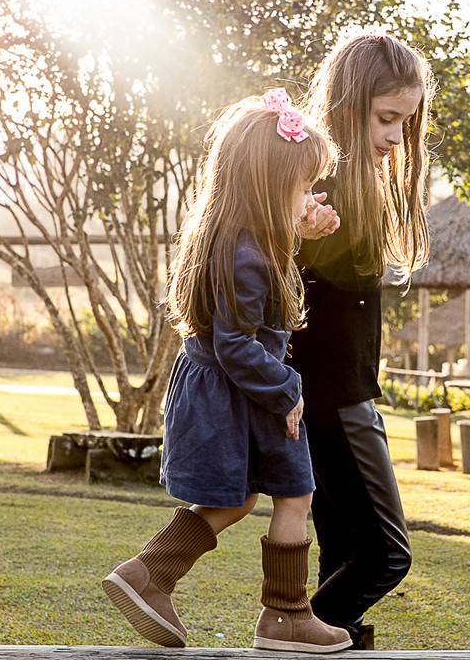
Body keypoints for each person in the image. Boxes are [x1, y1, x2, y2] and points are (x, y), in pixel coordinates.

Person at [102, 90, 351, 652]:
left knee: (238, 497)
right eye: (304, 186)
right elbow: (238, 345)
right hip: (247, 390)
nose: (311, 196)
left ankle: (152, 575)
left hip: (232, 390)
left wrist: (300, 234)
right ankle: (284, 617)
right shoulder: (247, 254)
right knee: (295, 493)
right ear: (267, 186)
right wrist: (288, 390)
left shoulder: (237, 239)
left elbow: (250, 310)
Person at [286, 34, 435, 649]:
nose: (398, 136)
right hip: (332, 399)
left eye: (407, 121)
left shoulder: (357, 183)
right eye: (386, 119)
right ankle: (287, 632)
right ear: (350, 106)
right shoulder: (323, 187)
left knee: (343, 554)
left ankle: (317, 635)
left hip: (336, 397)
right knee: (382, 557)